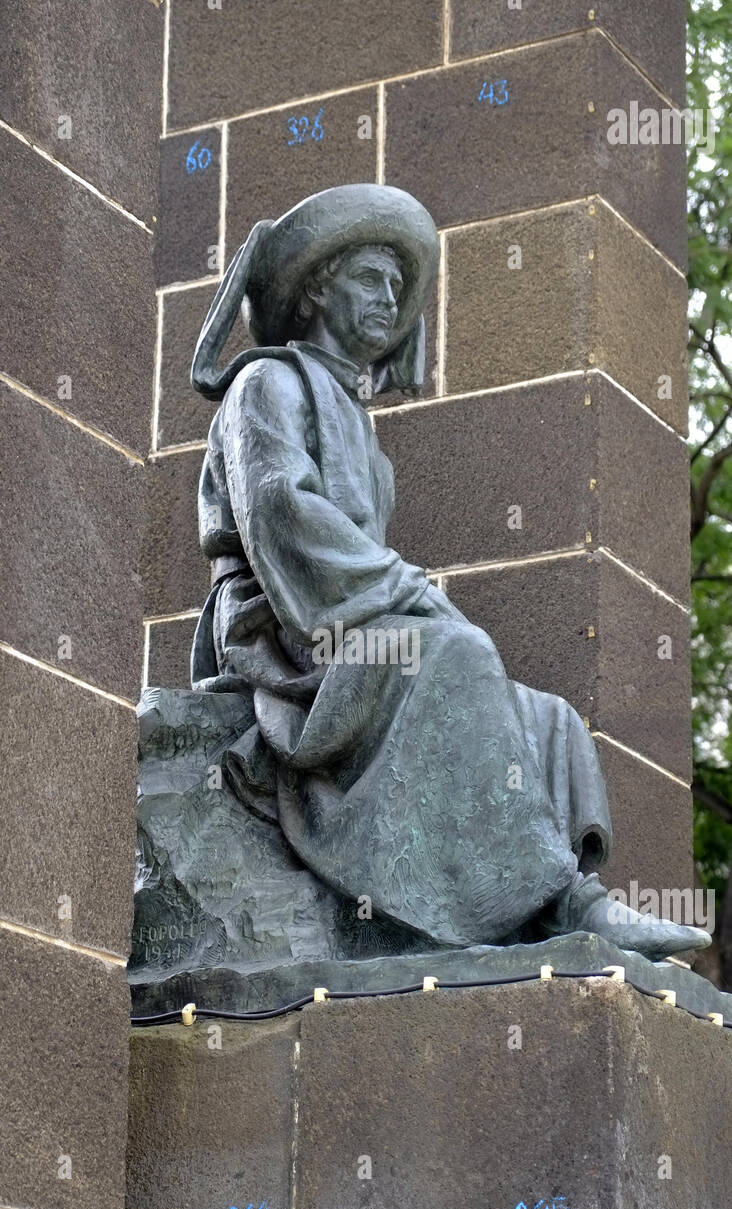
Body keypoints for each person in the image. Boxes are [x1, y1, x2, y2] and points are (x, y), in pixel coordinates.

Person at [187, 183, 710, 962]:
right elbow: (280, 517)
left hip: (352, 625)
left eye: (399, 287)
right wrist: (408, 592)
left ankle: (546, 906)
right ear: (318, 287)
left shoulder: (356, 421)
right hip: (289, 637)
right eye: (371, 278)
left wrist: (403, 600)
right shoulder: (268, 385)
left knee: (545, 714)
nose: (390, 299)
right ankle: (563, 905)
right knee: (458, 655)